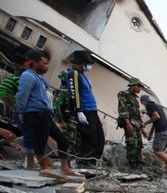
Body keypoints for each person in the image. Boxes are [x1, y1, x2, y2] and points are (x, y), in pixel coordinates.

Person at [15, 49, 79, 178]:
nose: (47, 66)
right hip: (36, 113)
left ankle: (65, 168)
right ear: (34, 63)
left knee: (63, 140)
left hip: (44, 114)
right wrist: (21, 112)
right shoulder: (28, 76)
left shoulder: (38, 77)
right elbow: (21, 96)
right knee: (41, 141)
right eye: (44, 63)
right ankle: (44, 168)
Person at [67, 50, 104, 168]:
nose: (89, 66)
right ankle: (85, 161)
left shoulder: (82, 75)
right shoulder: (73, 73)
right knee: (89, 137)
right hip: (85, 110)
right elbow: (75, 93)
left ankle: (92, 160)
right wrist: (79, 111)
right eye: (87, 63)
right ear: (82, 62)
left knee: (99, 137)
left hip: (92, 110)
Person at [140, 94, 167, 174]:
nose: (143, 105)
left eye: (142, 103)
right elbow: (157, 114)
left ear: (143, 102)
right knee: (162, 151)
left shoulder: (149, 105)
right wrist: (147, 113)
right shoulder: (157, 105)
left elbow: (156, 116)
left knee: (158, 151)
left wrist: (145, 123)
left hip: (162, 131)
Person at [116, 78, 145, 171]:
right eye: (139, 86)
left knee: (139, 145)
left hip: (137, 125)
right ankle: (132, 165)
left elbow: (138, 114)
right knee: (132, 144)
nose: (140, 89)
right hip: (130, 123)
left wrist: (142, 127)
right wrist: (127, 123)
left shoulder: (135, 99)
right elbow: (122, 108)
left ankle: (138, 164)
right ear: (133, 85)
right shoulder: (123, 94)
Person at [52, 70, 78, 162]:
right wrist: (61, 121)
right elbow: (56, 107)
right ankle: (65, 162)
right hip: (66, 122)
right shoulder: (60, 92)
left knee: (73, 143)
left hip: (73, 122)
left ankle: (69, 161)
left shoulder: (72, 93)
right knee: (67, 142)